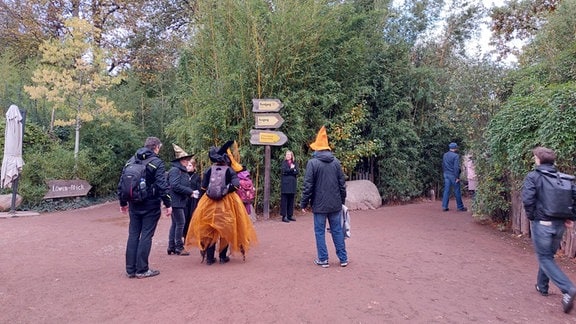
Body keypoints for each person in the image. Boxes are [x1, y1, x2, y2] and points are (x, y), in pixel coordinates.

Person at [522, 146, 576, 313]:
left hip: (542, 223)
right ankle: (542, 286)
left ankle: (568, 289)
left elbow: (528, 199)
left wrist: (533, 217)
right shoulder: (564, 179)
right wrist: (569, 217)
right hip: (559, 224)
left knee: (544, 257)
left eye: (535, 158)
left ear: (538, 160)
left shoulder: (534, 176)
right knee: (548, 256)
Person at [185, 141, 257, 265]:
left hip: (209, 202)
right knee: (225, 228)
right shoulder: (229, 170)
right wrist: (225, 191)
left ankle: (209, 258)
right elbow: (236, 185)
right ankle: (223, 257)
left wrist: (201, 203)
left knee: (210, 228)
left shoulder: (209, 170)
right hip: (228, 202)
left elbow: (203, 187)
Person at [119, 137, 172, 279]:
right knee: (146, 235)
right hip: (150, 204)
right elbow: (162, 185)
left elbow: (122, 183)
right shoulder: (156, 162)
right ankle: (142, 269)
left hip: (133, 203)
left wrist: (122, 203)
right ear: (156, 147)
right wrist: (168, 204)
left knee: (133, 234)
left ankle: (130, 269)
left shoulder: (131, 160)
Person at [300, 126, 348, 268]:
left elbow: (308, 185)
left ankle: (323, 259)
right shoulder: (336, 162)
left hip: (319, 205)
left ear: (317, 149)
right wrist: (342, 201)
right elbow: (342, 184)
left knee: (320, 232)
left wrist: (304, 203)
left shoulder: (312, 163)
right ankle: (343, 258)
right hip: (335, 204)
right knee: (337, 230)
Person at [166, 144, 199, 256]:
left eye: (187, 159)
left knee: (175, 223)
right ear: (180, 160)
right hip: (176, 201)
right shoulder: (176, 170)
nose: (186, 161)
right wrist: (190, 192)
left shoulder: (180, 170)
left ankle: (171, 246)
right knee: (180, 223)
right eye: (185, 160)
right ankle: (179, 247)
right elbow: (174, 185)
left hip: (179, 200)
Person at [441, 142, 467, 212]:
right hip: (453, 175)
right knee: (457, 190)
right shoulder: (456, 156)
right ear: (455, 148)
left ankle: (444, 206)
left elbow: (443, 165)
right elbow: (456, 167)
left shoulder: (445, 155)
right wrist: (457, 177)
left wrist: (445, 172)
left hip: (446, 174)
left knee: (446, 190)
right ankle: (460, 207)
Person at [280, 150, 299, 223]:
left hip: (292, 184)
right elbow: (284, 171)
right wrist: (291, 170)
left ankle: (290, 215)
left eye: (289, 154)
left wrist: (290, 171)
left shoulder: (295, 163)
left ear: (291, 156)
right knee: (284, 200)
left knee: (291, 200)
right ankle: (284, 216)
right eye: (287, 154)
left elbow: (297, 171)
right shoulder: (284, 163)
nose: (288, 156)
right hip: (285, 185)